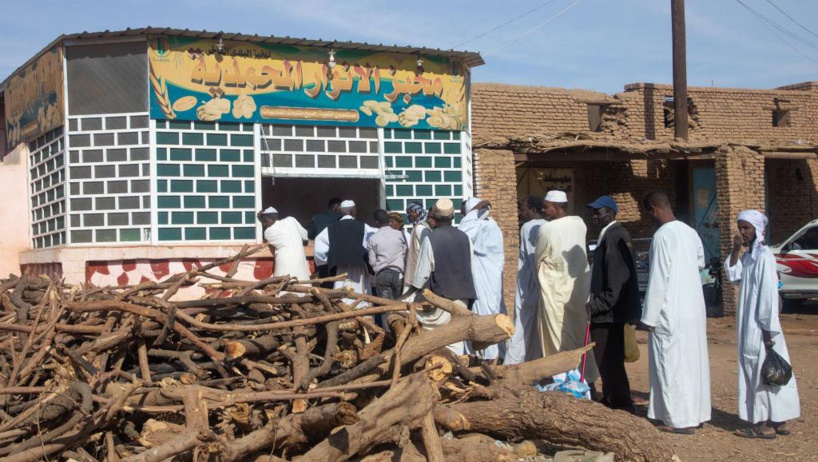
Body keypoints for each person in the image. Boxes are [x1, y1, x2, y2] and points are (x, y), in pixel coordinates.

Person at [640, 190, 711, 434]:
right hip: (693, 308)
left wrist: (648, 318)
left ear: (653, 210)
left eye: (648, 213)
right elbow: (700, 264)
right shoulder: (690, 232)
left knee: (670, 364)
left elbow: (658, 279)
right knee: (692, 364)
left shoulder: (662, 236)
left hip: (671, 310)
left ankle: (677, 419)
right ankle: (697, 414)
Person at [725, 210, 800, 439]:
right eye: (740, 228)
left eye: (746, 228)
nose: (742, 232)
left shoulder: (765, 257)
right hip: (755, 325)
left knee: (761, 372)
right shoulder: (749, 257)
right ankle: (779, 419)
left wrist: (768, 331)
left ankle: (764, 425)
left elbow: (768, 296)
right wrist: (736, 249)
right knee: (770, 371)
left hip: (761, 327)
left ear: (757, 229)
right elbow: (733, 275)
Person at [585, 196, 642, 412]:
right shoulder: (608, 235)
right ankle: (612, 398)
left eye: (598, 212)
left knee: (609, 360)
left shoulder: (614, 235)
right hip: (608, 311)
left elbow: (617, 279)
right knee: (607, 359)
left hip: (608, 313)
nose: (595, 217)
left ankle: (621, 403)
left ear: (610, 213)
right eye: (593, 212)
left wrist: (598, 305)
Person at [536, 190, 599, 383]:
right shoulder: (579, 222)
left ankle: (562, 378)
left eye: (546, 207)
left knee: (557, 335)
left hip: (555, 291)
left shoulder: (547, 230)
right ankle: (584, 376)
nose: (543, 210)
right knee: (580, 333)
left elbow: (539, 258)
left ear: (556, 208)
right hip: (579, 289)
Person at [406, 198, 477, 354]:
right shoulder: (465, 238)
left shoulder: (431, 239)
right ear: (452, 217)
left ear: (435, 218)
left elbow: (421, 276)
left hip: (441, 297)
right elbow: (472, 268)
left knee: (433, 334)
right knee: (456, 337)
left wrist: (408, 294)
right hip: (463, 297)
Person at [459, 196, 506, 362]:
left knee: (484, 314)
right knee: (492, 311)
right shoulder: (491, 224)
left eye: (464, 212)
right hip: (490, 277)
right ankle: (493, 355)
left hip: (483, 277)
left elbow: (462, 235)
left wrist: (474, 210)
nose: (461, 215)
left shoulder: (482, 226)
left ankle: (488, 357)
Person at [506, 195, 547, 365]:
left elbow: (532, 260)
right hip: (544, 284)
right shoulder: (548, 225)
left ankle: (512, 365)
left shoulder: (528, 228)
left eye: (523, 209)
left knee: (522, 326)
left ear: (532, 209)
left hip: (530, 284)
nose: (521, 213)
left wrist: (532, 288)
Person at [314, 200, 377, 307]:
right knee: (361, 293)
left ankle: (342, 310)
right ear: (353, 211)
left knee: (341, 290)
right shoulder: (364, 227)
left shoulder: (330, 228)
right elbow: (375, 241)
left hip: (340, 269)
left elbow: (319, 249)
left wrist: (330, 259)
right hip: (359, 268)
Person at [258, 207, 311, 282]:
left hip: (284, 264)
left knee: (284, 288)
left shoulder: (268, 232)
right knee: (302, 285)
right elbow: (305, 235)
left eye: (265, 221)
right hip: (299, 261)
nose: (264, 224)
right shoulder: (291, 220)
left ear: (272, 219)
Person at [367, 209, 408, 301]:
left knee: (385, 306)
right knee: (399, 305)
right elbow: (405, 253)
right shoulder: (400, 235)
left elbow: (372, 261)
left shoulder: (372, 238)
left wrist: (377, 267)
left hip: (382, 274)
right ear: (388, 220)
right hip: (398, 273)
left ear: (376, 222)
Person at [308, 197, 342, 287]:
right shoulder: (341, 218)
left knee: (325, 283)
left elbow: (310, 235)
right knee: (339, 283)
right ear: (337, 207)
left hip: (321, 257)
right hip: (338, 256)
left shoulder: (317, 217)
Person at [402, 202, 432, 301]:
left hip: (418, 271)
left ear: (419, 213)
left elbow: (428, 249)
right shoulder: (416, 228)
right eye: (408, 212)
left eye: (413, 212)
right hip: (413, 270)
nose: (409, 215)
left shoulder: (421, 228)